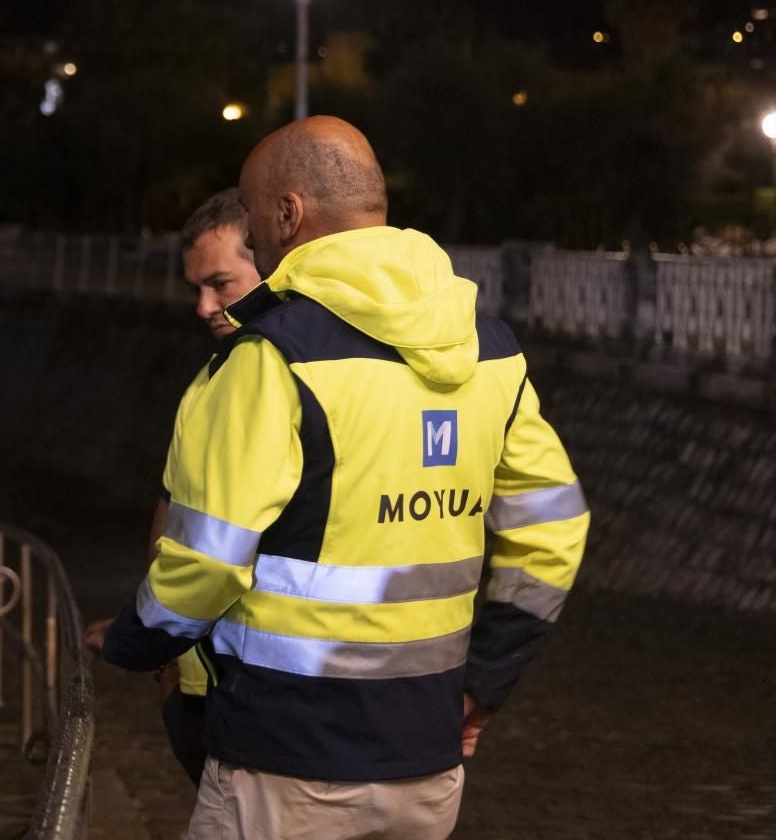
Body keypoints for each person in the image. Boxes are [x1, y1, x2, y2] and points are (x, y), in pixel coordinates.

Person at [99, 116, 590, 839]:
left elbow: (203, 563)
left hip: (284, 763)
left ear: (289, 211)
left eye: (257, 214)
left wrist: (131, 643)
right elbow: (553, 529)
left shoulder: (270, 359)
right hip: (426, 767)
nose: (258, 240)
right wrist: (484, 682)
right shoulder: (491, 349)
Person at [86, 188, 261, 786]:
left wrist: (138, 642)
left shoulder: (266, 382)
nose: (204, 306)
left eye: (222, 284)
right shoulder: (212, 380)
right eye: (196, 289)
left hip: (240, 689)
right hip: (194, 675)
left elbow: (216, 559)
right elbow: (172, 505)